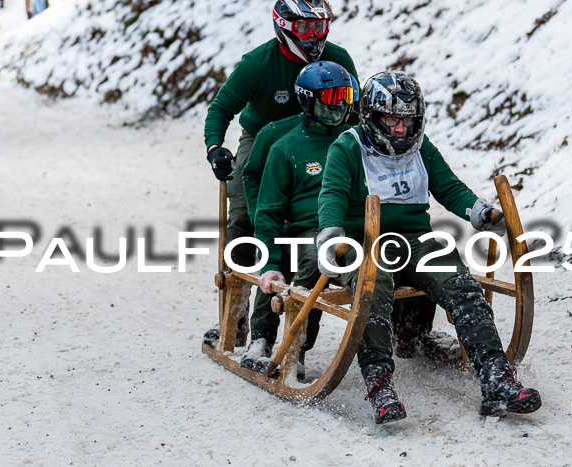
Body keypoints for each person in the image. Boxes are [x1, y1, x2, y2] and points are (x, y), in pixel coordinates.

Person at [317, 71, 542, 424]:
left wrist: (476, 209)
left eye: (407, 121)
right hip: (365, 241)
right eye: (391, 120)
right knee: (373, 287)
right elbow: (330, 194)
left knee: (461, 284)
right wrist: (331, 235)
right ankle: (379, 381)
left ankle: (496, 376)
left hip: (415, 241)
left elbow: (449, 187)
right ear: (372, 117)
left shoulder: (422, 148)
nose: (400, 130)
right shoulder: (347, 147)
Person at [203, 0, 358, 345]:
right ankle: (237, 314)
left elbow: (354, 107)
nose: (311, 36)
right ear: (282, 25)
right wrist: (215, 147)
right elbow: (221, 107)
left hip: (322, 135)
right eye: (303, 28)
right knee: (246, 215)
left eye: (317, 27)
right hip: (261, 137)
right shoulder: (257, 64)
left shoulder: (339, 58)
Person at [239, 61, 355, 376]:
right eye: (333, 97)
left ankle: (406, 331)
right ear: (309, 99)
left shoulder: (355, 138)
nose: (341, 104)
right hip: (301, 226)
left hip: (349, 226)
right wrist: (268, 256)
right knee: (299, 257)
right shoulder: (281, 142)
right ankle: (269, 340)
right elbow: (266, 207)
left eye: (346, 95)